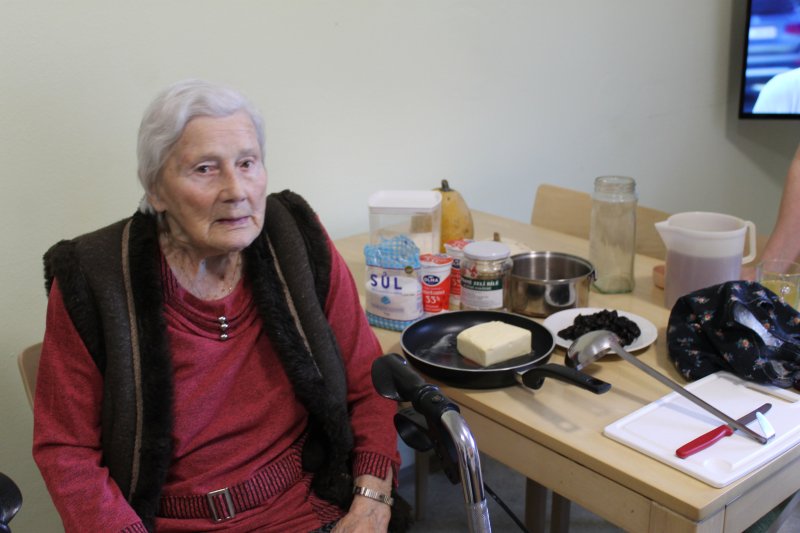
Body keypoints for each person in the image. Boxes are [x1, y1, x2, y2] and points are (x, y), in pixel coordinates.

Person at [33, 79, 407, 533]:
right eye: (205, 169)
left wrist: (371, 502)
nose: (236, 190)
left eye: (247, 163)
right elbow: (66, 451)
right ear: (156, 190)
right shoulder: (94, 278)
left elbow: (369, 382)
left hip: (310, 508)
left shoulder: (294, 240)